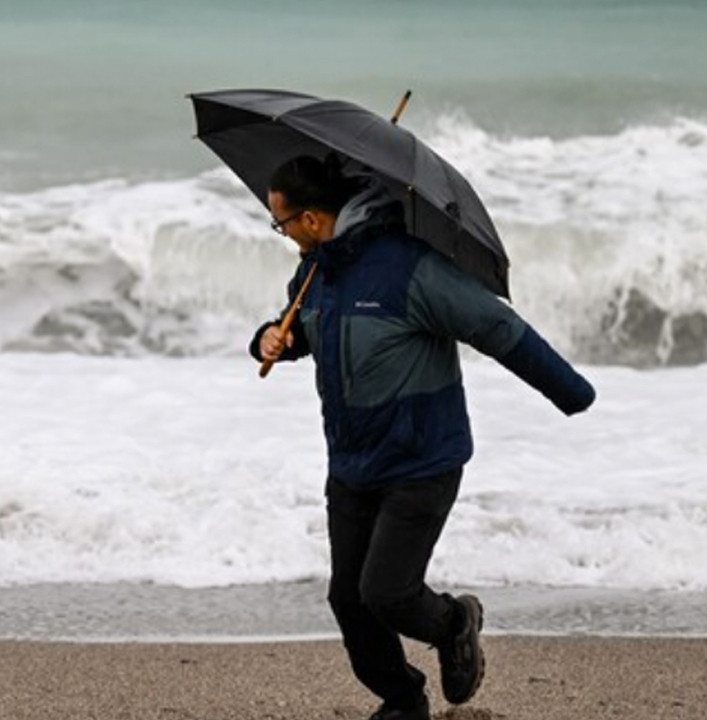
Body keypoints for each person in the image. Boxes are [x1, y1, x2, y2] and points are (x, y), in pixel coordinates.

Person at [250, 155, 596, 720]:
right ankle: (403, 700)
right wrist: (272, 339)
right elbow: (305, 327)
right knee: (349, 600)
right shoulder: (315, 272)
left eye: (281, 223)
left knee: (386, 592)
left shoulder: (410, 268)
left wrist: (571, 393)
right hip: (352, 462)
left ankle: (456, 622)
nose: (282, 234)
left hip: (420, 459)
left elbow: (496, 326)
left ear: (312, 219)